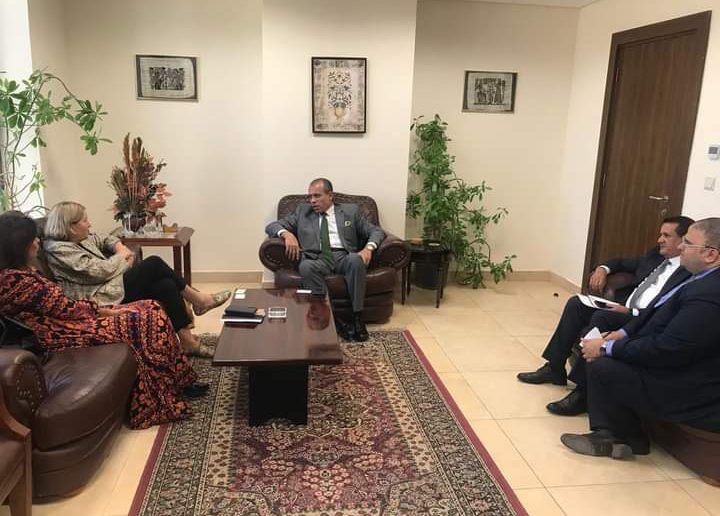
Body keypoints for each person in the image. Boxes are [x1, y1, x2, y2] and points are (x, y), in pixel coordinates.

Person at [0, 212, 208, 429]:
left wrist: (107, 309)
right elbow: (67, 309)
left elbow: (66, 306)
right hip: (61, 331)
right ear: (18, 245)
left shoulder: (25, 270)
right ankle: (158, 399)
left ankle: (178, 381)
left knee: (152, 306)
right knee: (143, 319)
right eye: (32, 239)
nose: (37, 241)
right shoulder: (14, 281)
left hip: (73, 317)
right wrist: (110, 312)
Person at [561, 217, 720, 459]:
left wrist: (608, 348)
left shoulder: (710, 295)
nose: (680, 247)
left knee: (603, 364)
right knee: (604, 347)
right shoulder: (697, 277)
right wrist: (621, 334)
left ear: (710, 254)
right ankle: (615, 435)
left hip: (692, 387)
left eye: (687, 243)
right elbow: (656, 313)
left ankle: (624, 437)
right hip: (677, 363)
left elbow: (669, 348)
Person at [517, 216, 694, 415]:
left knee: (602, 318)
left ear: (683, 240)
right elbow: (621, 262)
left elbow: (668, 308)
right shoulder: (656, 255)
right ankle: (555, 368)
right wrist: (602, 269)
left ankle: (582, 393)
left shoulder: (689, 271)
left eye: (666, 236)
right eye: (660, 234)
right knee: (576, 303)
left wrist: (631, 312)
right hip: (623, 307)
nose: (660, 240)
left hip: (642, 318)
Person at [42, 201, 231, 358]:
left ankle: (188, 341)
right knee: (154, 263)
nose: (89, 224)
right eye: (85, 220)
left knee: (165, 285)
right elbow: (99, 271)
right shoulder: (59, 249)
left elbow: (105, 238)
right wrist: (123, 258)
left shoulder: (81, 239)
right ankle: (199, 300)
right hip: (100, 298)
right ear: (71, 227)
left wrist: (119, 247)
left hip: (111, 284)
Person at [265, 178, 385, 342]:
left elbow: (376, 231)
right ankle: (334, 319)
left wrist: (368, 248)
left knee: (356, 260)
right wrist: (286, 234)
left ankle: (357, 318)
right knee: (306, 266)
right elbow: (272, 226)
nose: (312, 201)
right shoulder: (302, 212)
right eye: (310, 197)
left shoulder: (350, 211)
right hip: (317, 258)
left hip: (343, 256)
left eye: (317, 196)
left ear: (330, 195)